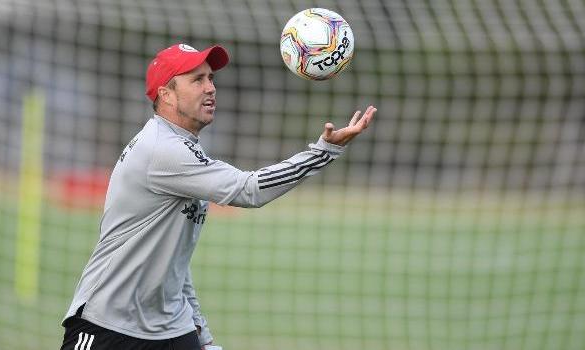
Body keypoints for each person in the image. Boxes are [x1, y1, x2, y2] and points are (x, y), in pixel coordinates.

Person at [60, 43, 376, 350]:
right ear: (166, 94)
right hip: (110, 325)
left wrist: (202, 334)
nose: (210, 88)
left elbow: (174, 261)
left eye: (211, 78)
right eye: (197, 80)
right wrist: (324, 151)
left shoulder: (182, 146)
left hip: (172, 327)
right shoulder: (162, 149)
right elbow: (249, 189)